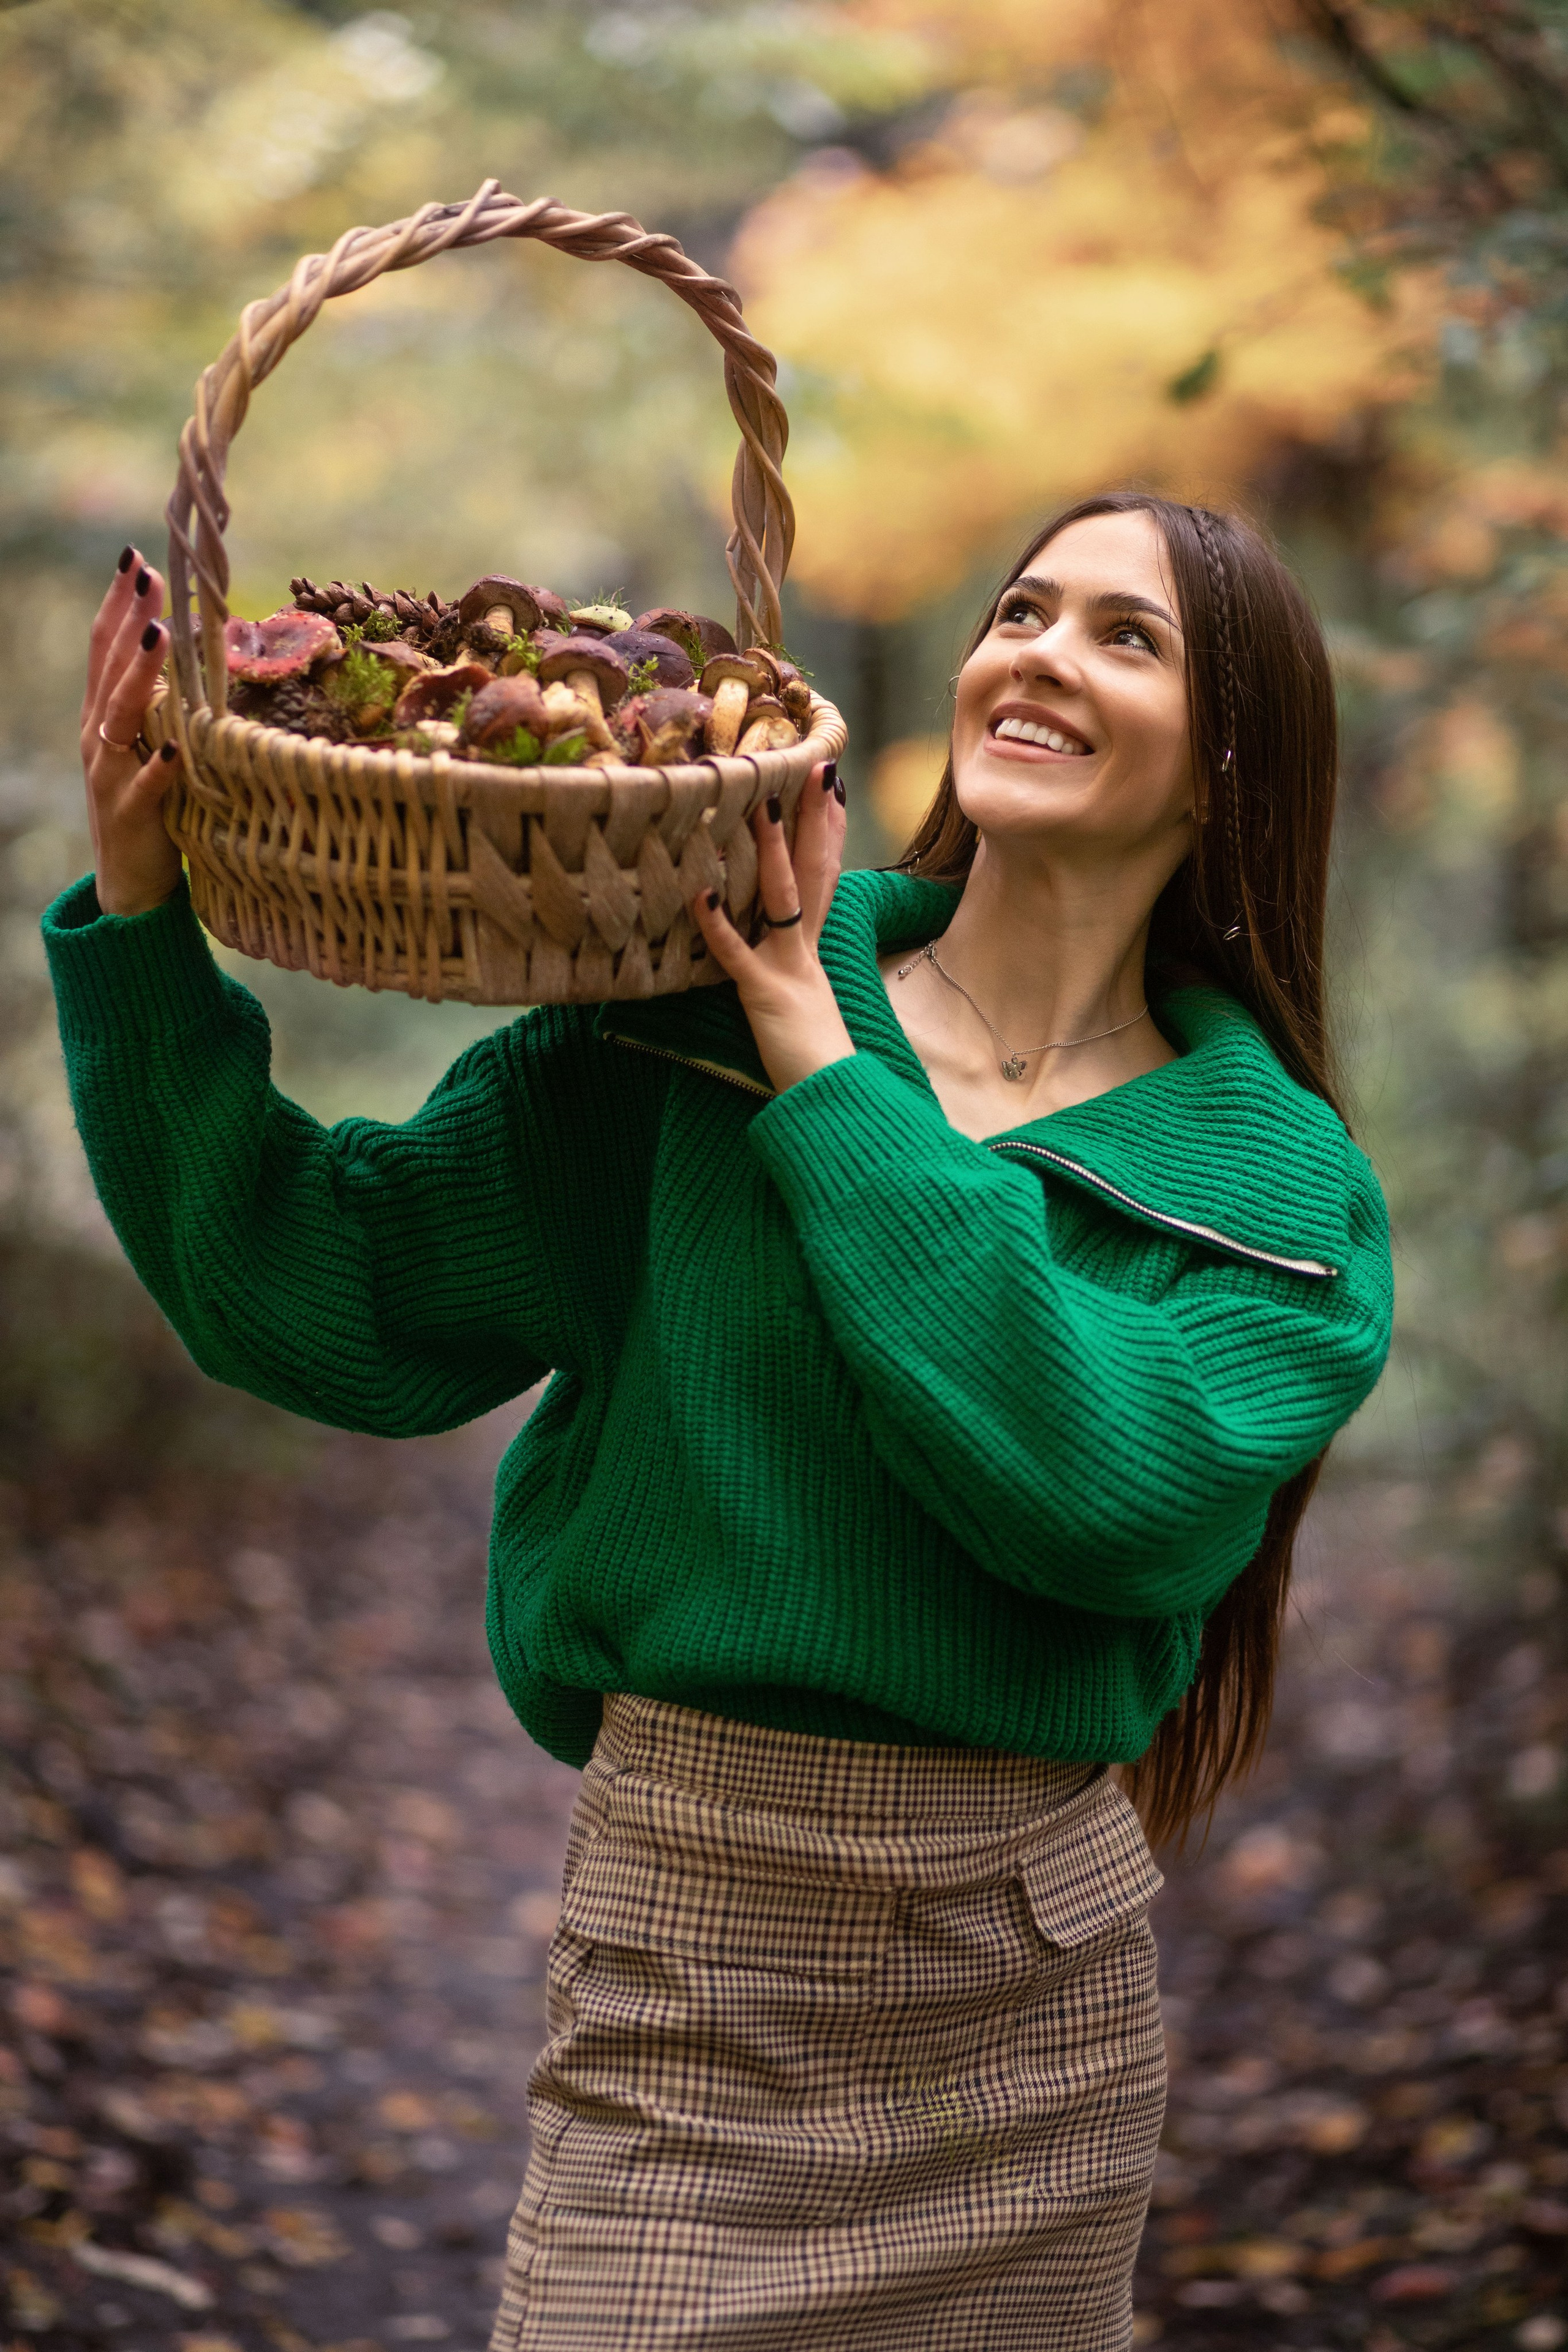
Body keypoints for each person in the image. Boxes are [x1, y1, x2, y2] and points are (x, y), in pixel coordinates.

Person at [48, 495, 1393, 2351]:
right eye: (1021, 609)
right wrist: (138, 928)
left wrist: (830, 1079)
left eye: (1127, 636)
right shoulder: (675, 1000)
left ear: (1231, 756)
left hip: (1033, 2007)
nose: (1040, 656)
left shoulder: (1271, 1183)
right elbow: (328, 1295)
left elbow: (1103, 1486)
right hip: (692, 1960)